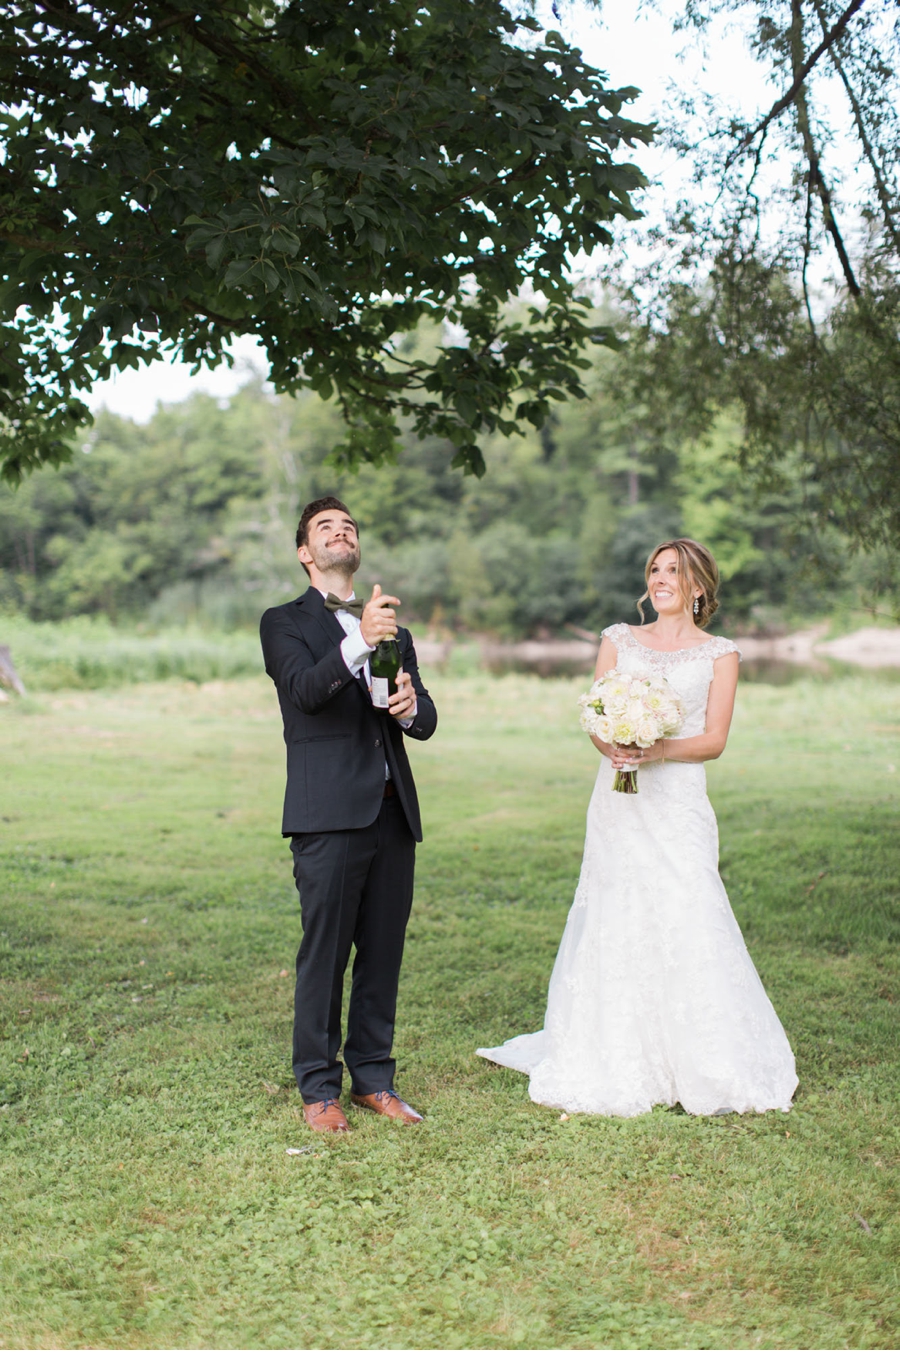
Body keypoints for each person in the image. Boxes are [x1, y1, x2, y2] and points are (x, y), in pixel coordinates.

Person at [478, 538, 798, 1117]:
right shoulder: (618, 639)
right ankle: (620, 1050)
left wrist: (655, 750)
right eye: (654, 569)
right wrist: (616, 743)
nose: (661, 579)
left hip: (676, 802)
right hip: (618, 800)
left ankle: (700, 1057)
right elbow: (595, 715)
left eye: (674, 571)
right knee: (617, 905)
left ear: (698, 586)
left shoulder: (720, 654)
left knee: (688, 904)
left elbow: (714, 740)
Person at [260, 497, 437, 1134]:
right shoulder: (283, 622)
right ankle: (318, 1090)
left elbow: (426, 722)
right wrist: (358, 640)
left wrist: (412, 706)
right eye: (326, 529)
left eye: (349, 527)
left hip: (393, 813)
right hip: (327, 813)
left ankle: (374, 1079)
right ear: (307, 553)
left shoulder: (394, 628)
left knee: (382, 953)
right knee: (325, 954)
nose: (341, 534)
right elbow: (306, 693)